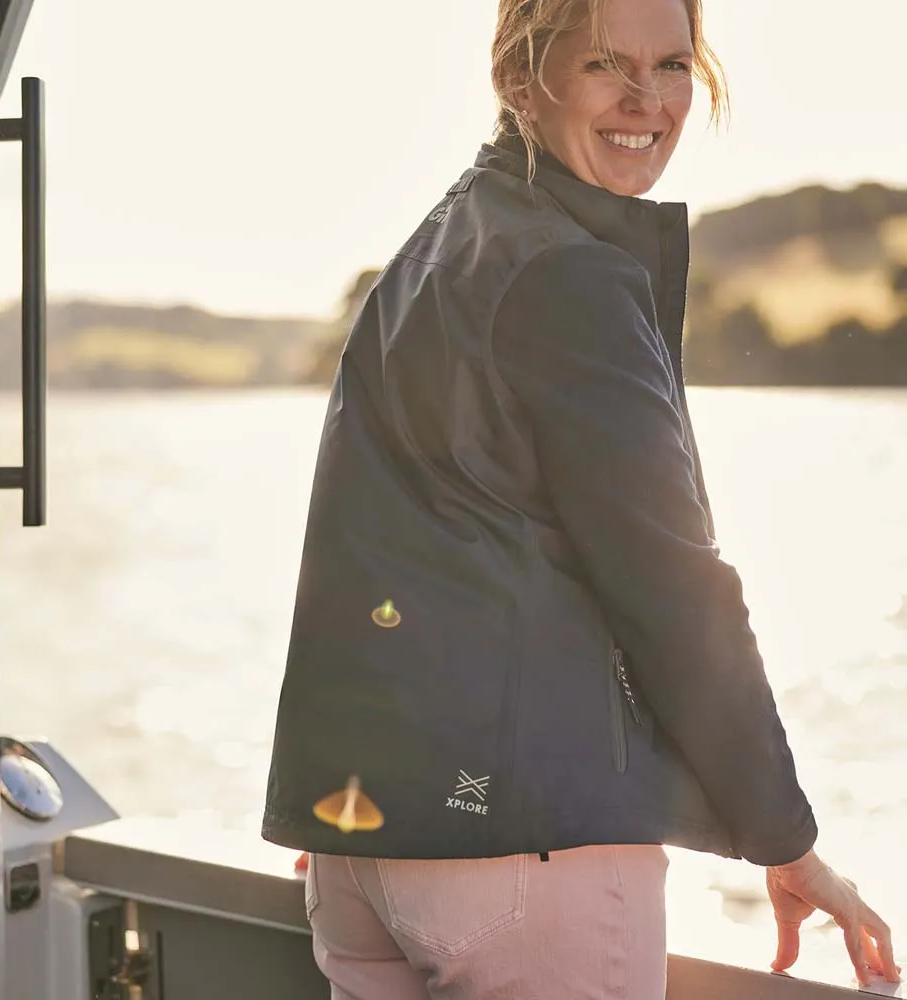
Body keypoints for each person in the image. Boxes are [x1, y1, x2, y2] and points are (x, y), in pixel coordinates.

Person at [262, 0, 900, 996]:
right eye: (605, 63)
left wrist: (361, 772)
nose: (647, 98)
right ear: (521, 78)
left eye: (673, 65)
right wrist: (786, 840)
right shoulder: (569, 275)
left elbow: (364, 544)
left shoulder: (437, 247)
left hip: (367, 846)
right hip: (526, 850)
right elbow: (673, 587)